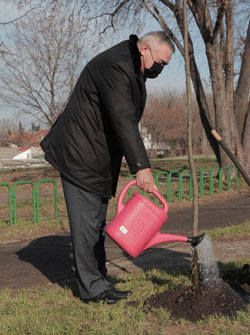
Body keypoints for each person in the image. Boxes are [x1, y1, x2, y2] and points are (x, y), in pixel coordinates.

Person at [40, 31, 175, 304]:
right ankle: (92, 290)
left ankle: (99, 281)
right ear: (144, 48)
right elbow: (124, 119)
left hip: (96, 156)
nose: (160, 69)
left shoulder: (131, 66)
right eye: (160, 62)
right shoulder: (117, 65)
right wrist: (141, 167)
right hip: (80, 155)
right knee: (86, 226)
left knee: (96, 225)